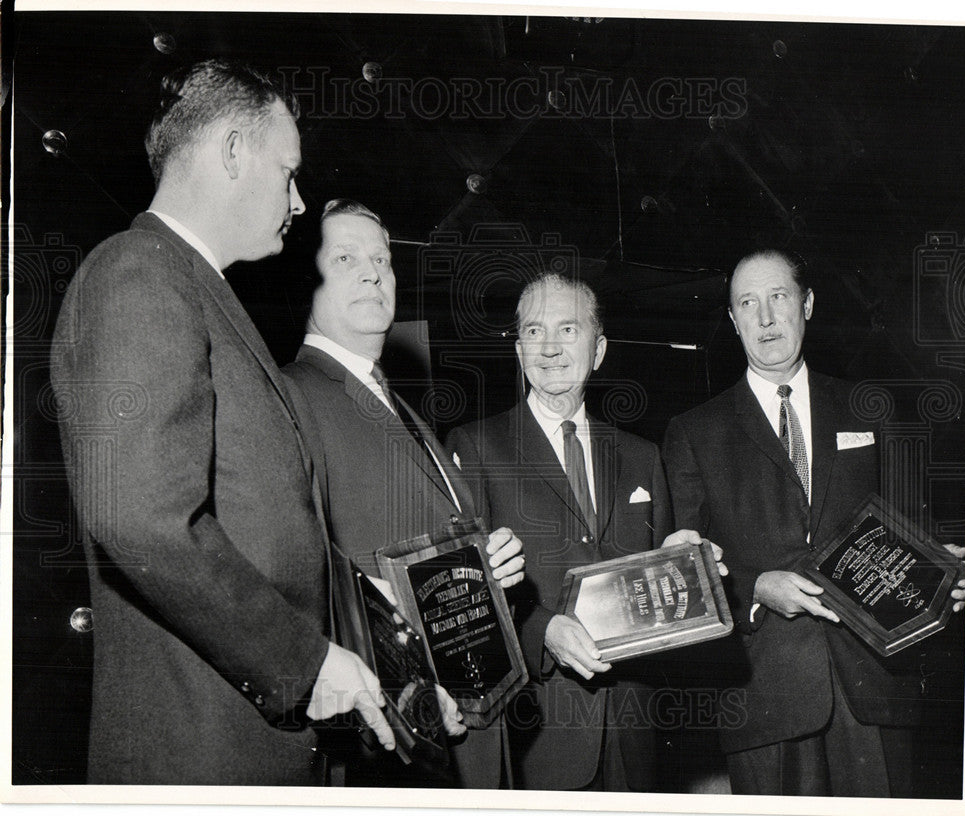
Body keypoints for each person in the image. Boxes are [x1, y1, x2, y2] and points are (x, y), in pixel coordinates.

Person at [49, 60, 396, 785]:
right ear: (234, 151)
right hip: (197, 756)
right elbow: (142, 517)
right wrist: (301, 664)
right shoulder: (139, 272)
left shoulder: (192, 286)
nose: (298, 201)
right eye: (288, 172)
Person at [662, 248, 965, 796]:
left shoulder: (871, 407)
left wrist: (942, 580)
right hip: (765, 701)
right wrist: (756, 587)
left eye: (778, 297)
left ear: (806, 305)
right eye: (747, 303)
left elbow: (913, 533)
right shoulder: (693, 432)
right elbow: (687, 577)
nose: (765, 318)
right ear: (732, 322)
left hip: (876, 690)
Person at [446, 272, 726, 791]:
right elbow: (465, 603)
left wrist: (686, 569)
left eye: (568, 330)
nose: (550, 348)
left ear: (598, 351)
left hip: (637, 731)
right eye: (533, 331)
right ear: (518, 348)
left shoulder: (643, 457)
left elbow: (658, 594)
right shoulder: (476, 447)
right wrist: (543, 632)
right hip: (539, 730)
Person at [281, 199, 526, 788]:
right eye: (345, 258)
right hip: (397, 745)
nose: (372, 272)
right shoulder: (291, 398)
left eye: (383, 260)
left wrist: (492, 571)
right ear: (304, 280)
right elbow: (295, 580)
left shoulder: (404, 407)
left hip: (470, 731)